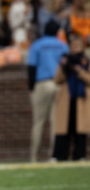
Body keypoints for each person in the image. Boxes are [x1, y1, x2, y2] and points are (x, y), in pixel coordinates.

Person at [27, 20, 68, 163]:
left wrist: (31, 88)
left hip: (41, 83)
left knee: (38, 121)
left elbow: (31, 68)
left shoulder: (37, 45)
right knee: (55, 122)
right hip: (58, 84)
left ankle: (34, 157)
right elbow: (66, 66)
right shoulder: (62, 46)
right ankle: (53, 156)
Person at [52, 32, 89, 161]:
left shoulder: (86, 61)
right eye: (74, 45)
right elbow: (57, 80)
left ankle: (79, 155)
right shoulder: (65, 60)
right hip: (67, 98)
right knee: (64, 128)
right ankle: (59, 155)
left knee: (80, 128)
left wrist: (79, 71)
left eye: (79, 45)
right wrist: (65, 67)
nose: (76, 47)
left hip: (81, 98)